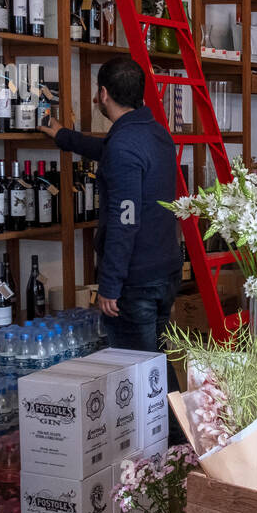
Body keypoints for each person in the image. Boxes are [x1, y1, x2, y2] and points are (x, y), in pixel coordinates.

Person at [40, 56, 183, 366]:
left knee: (140, 375)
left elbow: (124, 221)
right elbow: (108, 149)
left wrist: (109, 286)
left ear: (103, 94)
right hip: (165, 272)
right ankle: (174, 415)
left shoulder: (123, 146)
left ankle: (168, 418)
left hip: (136, 281)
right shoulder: (156, 133)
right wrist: (64, 136)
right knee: (156, 368)